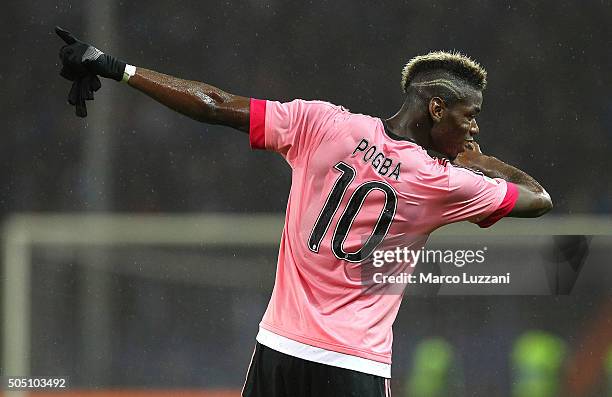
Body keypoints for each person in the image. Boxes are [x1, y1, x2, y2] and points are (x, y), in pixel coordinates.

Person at [55, 27, 553, 397]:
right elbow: (538, 200)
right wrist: (481, 162)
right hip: (354, 365)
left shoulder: (324, 124)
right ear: (438, 108)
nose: (472, 131)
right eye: (471, 118)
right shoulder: (442, 182)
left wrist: (114, 66)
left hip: (280, 353)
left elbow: (212, 103)